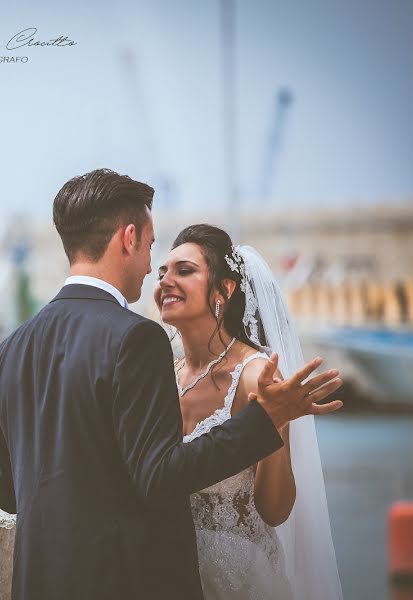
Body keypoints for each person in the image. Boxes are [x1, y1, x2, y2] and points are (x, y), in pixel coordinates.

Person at [0, 168, 342, 599]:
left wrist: (18, 389)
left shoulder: (14, 350)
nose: (152, 271)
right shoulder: (137, 338)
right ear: (128, 238)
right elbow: (157, 476)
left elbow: (3, 489)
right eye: (150, 248)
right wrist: (264, 419)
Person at [153, 224, 343, 599]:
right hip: (170, 573)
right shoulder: (162, 376)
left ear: (224, 289)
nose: (165, 282)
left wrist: (275, 419)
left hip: (241, 579)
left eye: (184, 271)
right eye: (162, 273)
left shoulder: (256, 377)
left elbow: (274, 510)